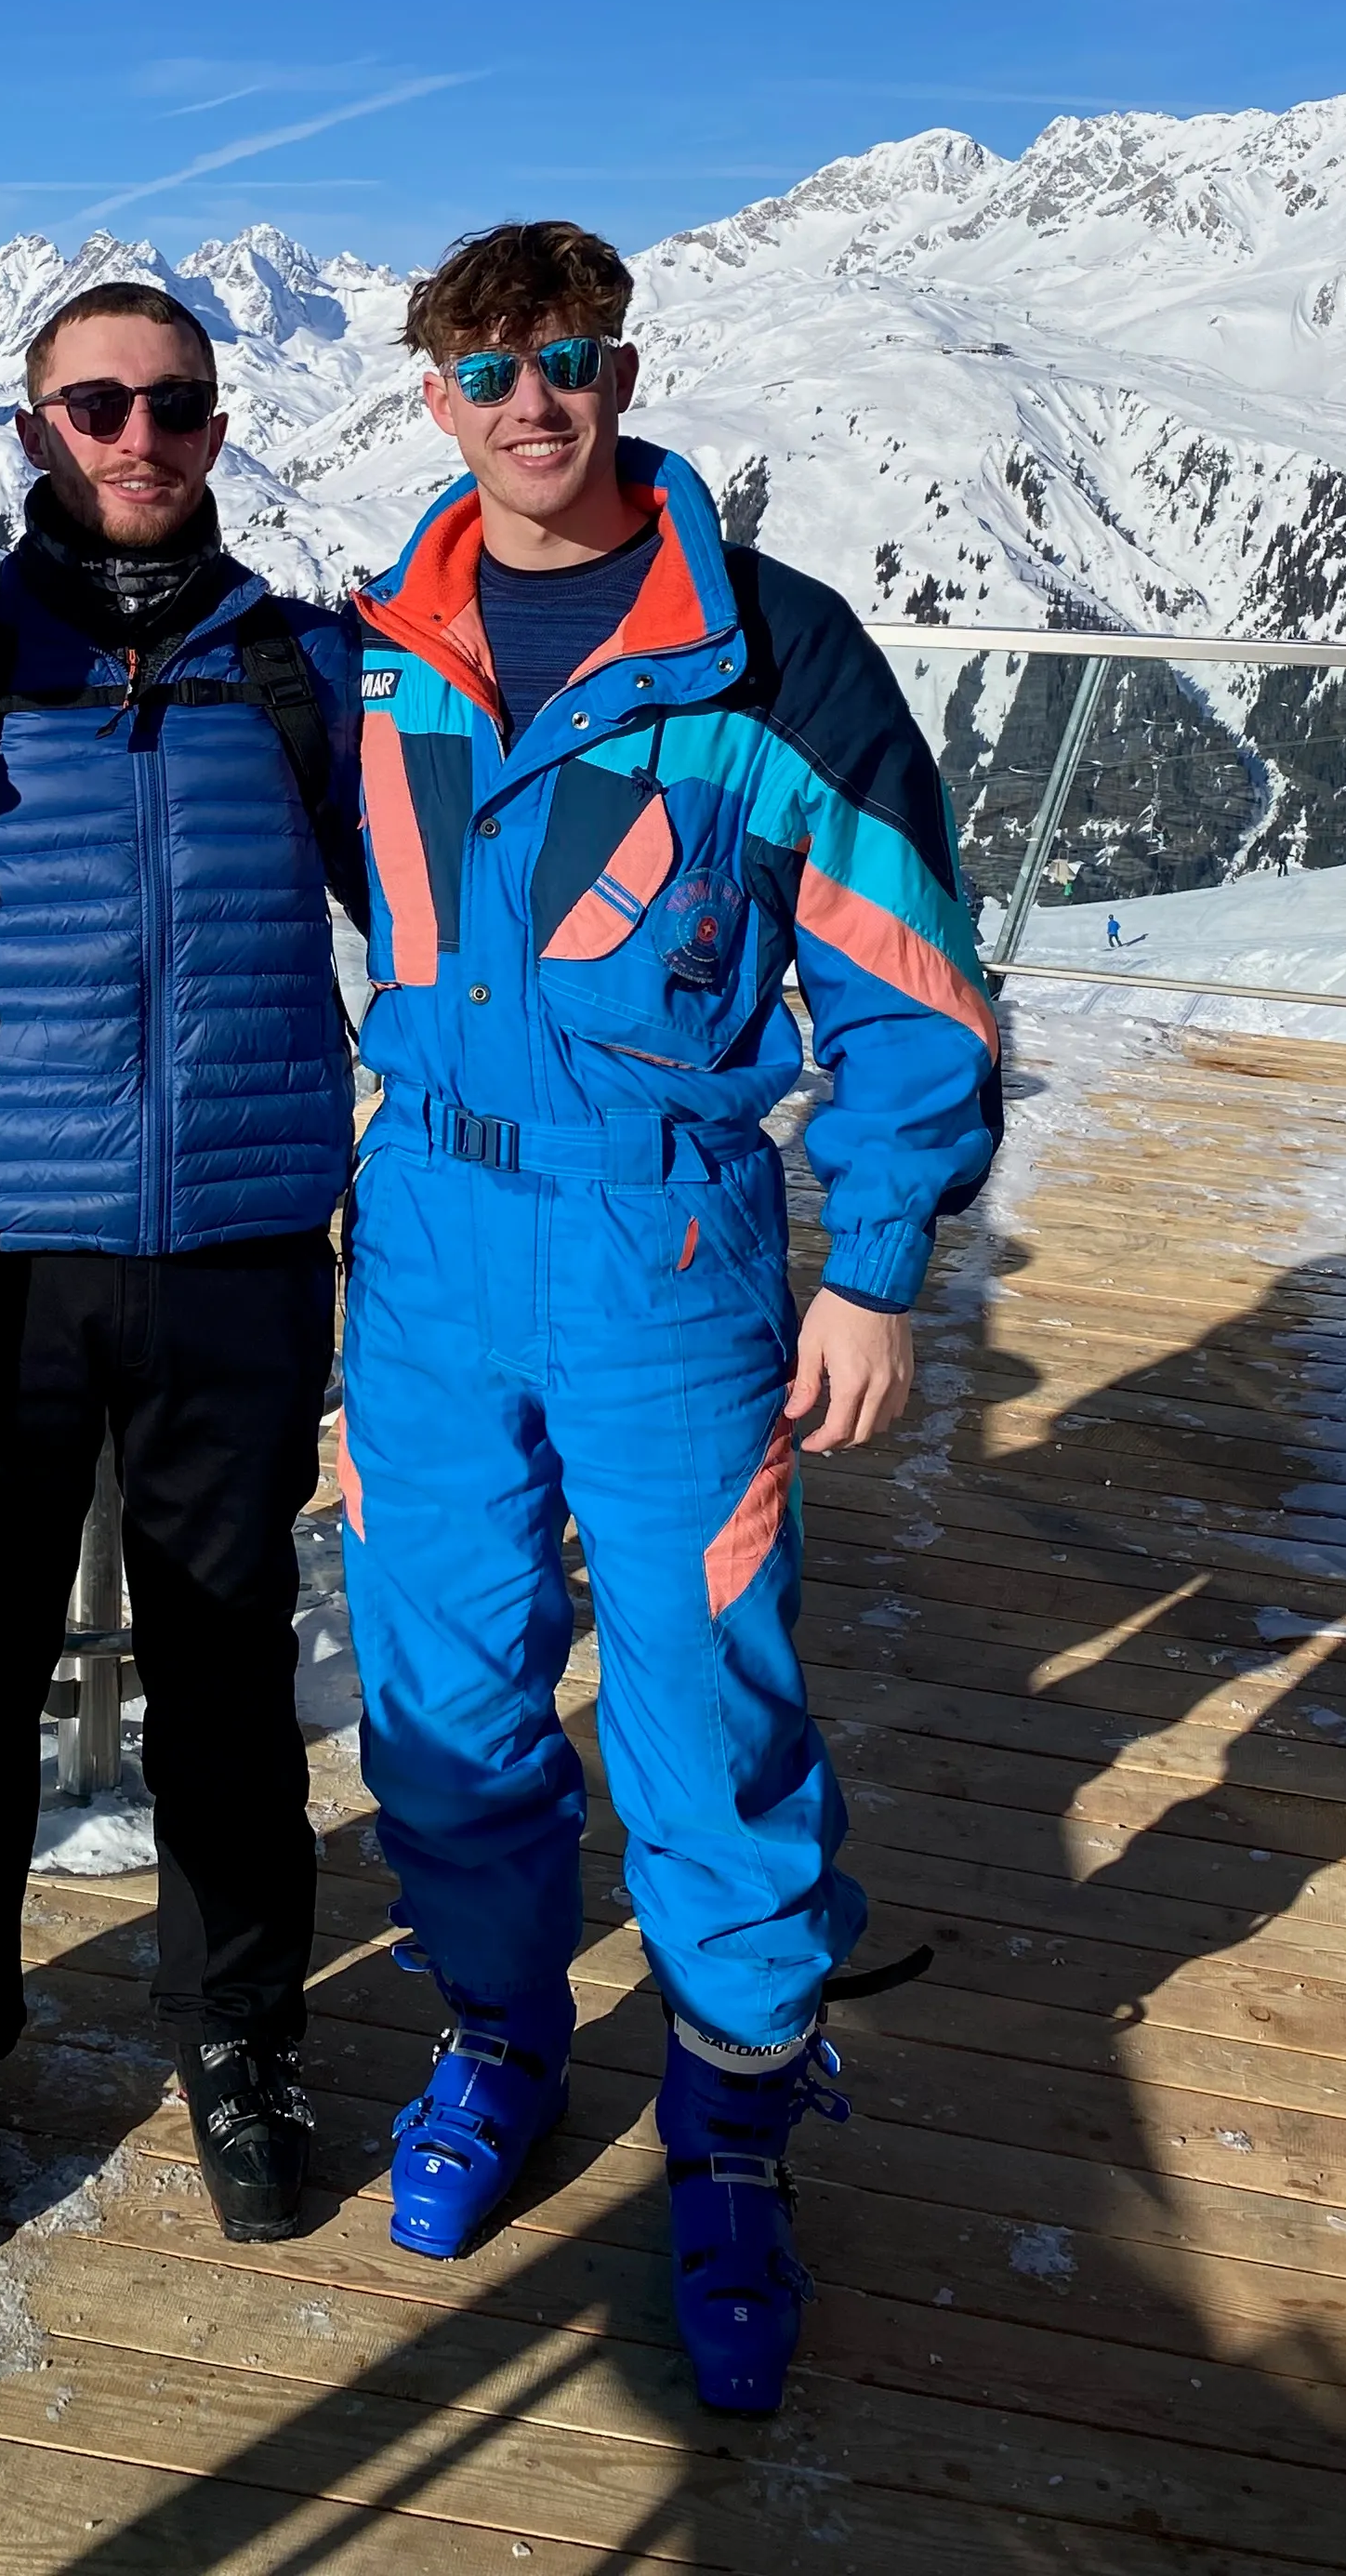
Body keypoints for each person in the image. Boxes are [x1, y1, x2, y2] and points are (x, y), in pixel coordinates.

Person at [339, 218, 1000, 2414]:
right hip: (425, 1229)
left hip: (669, 1244)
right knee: (442, 1679)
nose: (536, 402)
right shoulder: (379, 652)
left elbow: (907, 984)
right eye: (493, 369)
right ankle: (503, 2036)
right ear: (435, 397)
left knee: (707, 1693)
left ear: (625, 379)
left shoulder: (767, 659)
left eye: (575, 360)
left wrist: (883, 1257)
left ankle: (728, 2121)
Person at [0, 279, 361, 2267]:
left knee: (229, 1669)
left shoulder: (307, 674)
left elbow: (448, 918)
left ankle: (241, 2035)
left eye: (177, 408)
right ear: (34, 428)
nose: (140, 441)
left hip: (238, 1248)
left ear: (219, 429)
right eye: (98, 405)